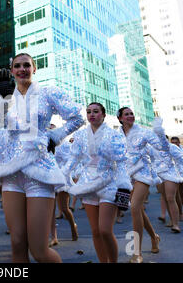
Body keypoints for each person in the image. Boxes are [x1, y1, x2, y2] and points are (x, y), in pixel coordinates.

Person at [0, 54, 84, 263]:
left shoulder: (48, 93)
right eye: (17, 66)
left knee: (39, 251)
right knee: (17, 243)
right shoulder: (6, 96)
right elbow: (0, 122)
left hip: (39, 172)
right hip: (12, 173)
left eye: (26, 65)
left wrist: (55, 136)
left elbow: (77, 117)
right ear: (11, 71)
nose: (22, 69)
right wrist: (3, 99)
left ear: (34, 69)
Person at [65, 103, 131, 263]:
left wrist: (124, 185)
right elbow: (73, 157)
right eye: (88, 112)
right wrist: (63, 174)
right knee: (95, 231)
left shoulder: (114, 135)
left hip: (108, 183)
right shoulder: (80, 135)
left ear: (103, 114)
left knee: (105, 230)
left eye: (95, 111)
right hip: (87, 183)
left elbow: (121, 162)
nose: (92, 114)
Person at [117, 107, 168, 263]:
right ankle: (154, 237)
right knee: (137, 209)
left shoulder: (144, 132)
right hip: (126, 175)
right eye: (126, 114)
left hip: (143, 172)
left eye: (132, 113)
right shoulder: (116, 135)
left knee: (134, 207)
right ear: (120, 118)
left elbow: (162, 147)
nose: (130, 116)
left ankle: (136, 252)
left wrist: (159, 131)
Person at [146, 138, 183, 233]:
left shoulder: (172, 147)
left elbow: (180, 159)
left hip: (171, 173)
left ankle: (176, 224)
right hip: (158, 173)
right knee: (166, 198)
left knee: (170, 198)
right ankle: (172, 220)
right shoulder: (152, 148)